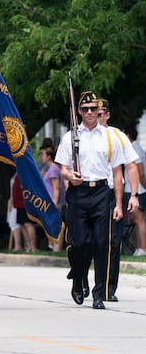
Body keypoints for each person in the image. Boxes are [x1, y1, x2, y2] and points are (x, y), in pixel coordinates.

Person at [55, 90, 132, 309]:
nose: (90, 112)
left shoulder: (109, 137)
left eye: (93, 109)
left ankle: (99, 293)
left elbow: (118, 173)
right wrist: (70, 176)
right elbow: (62, 167)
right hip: (78, 194)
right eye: (85, 109)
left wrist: (118, 204)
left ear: (100, 111)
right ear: (79, 111)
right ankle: (78, 277)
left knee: (101, 244)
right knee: (80, 243)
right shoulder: (70, 136)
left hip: (101, 193)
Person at [96, 98, 140, 301]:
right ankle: (84, 280)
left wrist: (134, 195)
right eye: (94, 113)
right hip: (90, 194)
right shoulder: (81, 136)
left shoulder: (117, 136)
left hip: (114, 194)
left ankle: (108, 288)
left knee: (113, 242)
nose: (97, 117)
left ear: (107, 115)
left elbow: (131, 165)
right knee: (89, 242)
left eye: (101, 114)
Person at [124, 128, 146, 257]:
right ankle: (139, 247)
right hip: (133, 189)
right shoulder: (133, 148)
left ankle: (143, 247)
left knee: (139, 219)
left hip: (138, 190)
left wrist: (143, 187)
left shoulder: (134, 149)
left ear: (128, 135)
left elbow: (141, 172)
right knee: (135, 219)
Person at [39, 145, 65, 251]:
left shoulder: (54, 169)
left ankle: (56, 247)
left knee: (55, 225)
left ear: (49, 156)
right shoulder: (50, 169)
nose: (41, 157)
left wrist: (54, 202)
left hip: (54, 202)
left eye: (42, 154)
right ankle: (53, 246)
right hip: (49, 201)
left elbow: (56, 187)